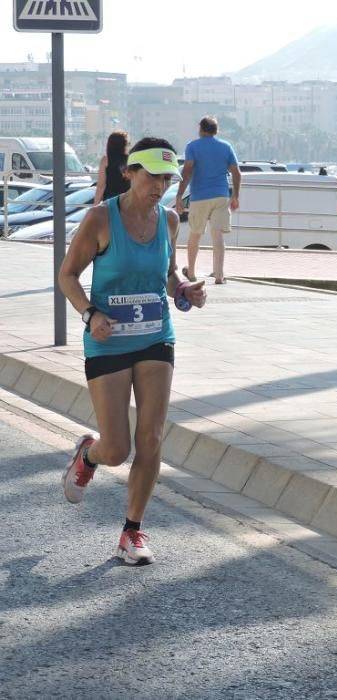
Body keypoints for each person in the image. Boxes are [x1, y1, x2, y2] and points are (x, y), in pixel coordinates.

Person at [58, 137, 207, 566]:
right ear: (130, 172)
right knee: (118, 448)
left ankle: (132, 532)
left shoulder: (170, 220)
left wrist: (183, 292)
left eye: (167, 179)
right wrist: (89, 315)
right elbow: (67, 275)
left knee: (152, 437)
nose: (160, 187)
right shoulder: (100, 218)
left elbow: (166, 274)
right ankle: (89, 454)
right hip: (107, 339)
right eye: (152, 177)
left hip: (155, 335)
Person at [174, 116, 240, 284]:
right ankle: (219, 275)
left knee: (195, 234)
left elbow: (187, 171)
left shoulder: (193, 147)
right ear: (216, 130)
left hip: (199, 196)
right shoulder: (226, 147)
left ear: (201, 129)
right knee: (218, 236)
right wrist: (236, 196)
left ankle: (192, 272)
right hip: (221, 194)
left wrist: (179, 195)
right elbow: (236, 172)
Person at [93, 130, 130, 205]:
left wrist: (95, 205)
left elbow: (101, 185)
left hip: (110, 200)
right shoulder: (130, 159)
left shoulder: (105, 160)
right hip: (127, 200)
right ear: (124, 145)